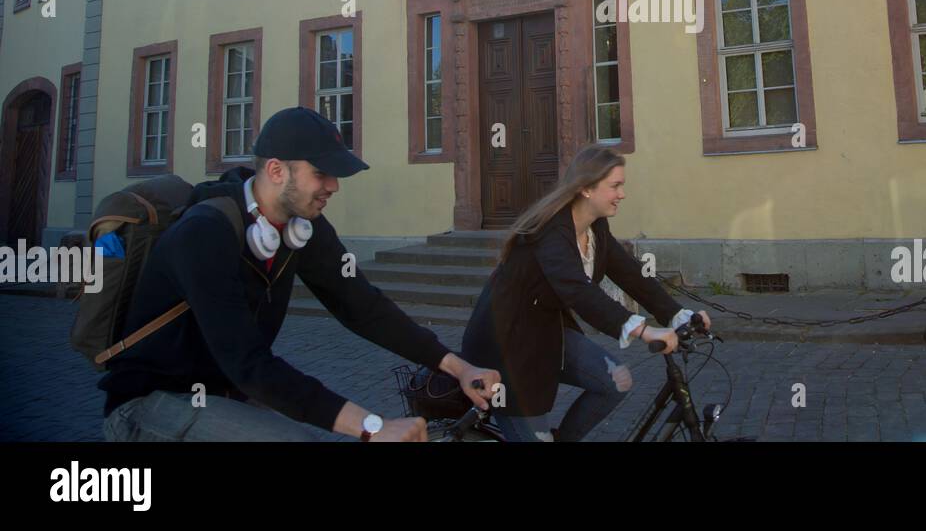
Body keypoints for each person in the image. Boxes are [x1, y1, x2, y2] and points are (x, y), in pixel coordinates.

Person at [100, 106, 500, 442]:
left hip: (225, 395)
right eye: (321, 173)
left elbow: (364, 308)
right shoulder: (205, 233)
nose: (333, 186)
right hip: (150, 402)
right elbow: (251, 366)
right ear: (276, 171)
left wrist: (459, 367)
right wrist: (372, 427)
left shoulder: (300, 228)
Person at [460, 144, 709, 442]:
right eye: (615, 186)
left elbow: (630, 273)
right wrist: (643, 331)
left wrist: (677, 314)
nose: (622, 194)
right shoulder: (550, 231)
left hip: (548, 332)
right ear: (587, 189)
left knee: (616, 381)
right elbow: (577, 291)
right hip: (508, 348)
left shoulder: (595, 227)